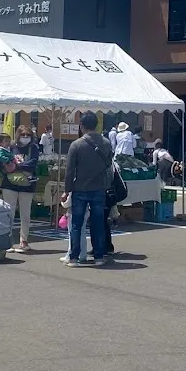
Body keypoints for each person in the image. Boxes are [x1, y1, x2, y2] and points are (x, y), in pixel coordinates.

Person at [60, 112, 113, 266]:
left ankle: (74, 257)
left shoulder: (76, 145)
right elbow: (109, 164)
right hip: (99, 188)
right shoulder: (106, 143)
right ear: (96, 125)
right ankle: (98, 257)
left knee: (76, 223)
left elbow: (70, 171)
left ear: (81, 126)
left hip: (80, 188)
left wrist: (67, 191)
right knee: (98, 223)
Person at [7, 127, 40, 253]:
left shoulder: (34, 148)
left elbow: (33, 163)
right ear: (18, 135)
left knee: (25, 214)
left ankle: (23, 240)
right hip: (10, 183)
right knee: (9, 213)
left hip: (27, 184)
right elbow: (4, 161)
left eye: (28, 135)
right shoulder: (11, 147)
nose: (25, 137)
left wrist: (16, 166)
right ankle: (8, 240)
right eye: (23, 134)